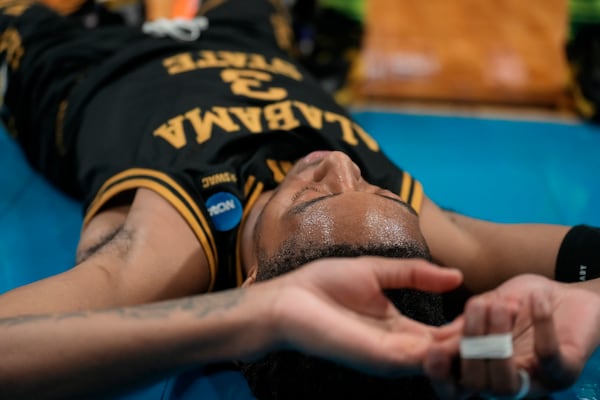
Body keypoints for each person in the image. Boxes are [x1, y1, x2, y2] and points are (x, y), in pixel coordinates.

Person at [0, 0, 599, 398]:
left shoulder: (169, 248)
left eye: (312, 204)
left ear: (258, 277)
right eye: (373, 186)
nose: (340, 165)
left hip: (84, 66)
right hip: (249, 38)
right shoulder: (412, 237)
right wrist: (592, 305)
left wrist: (259, 317)